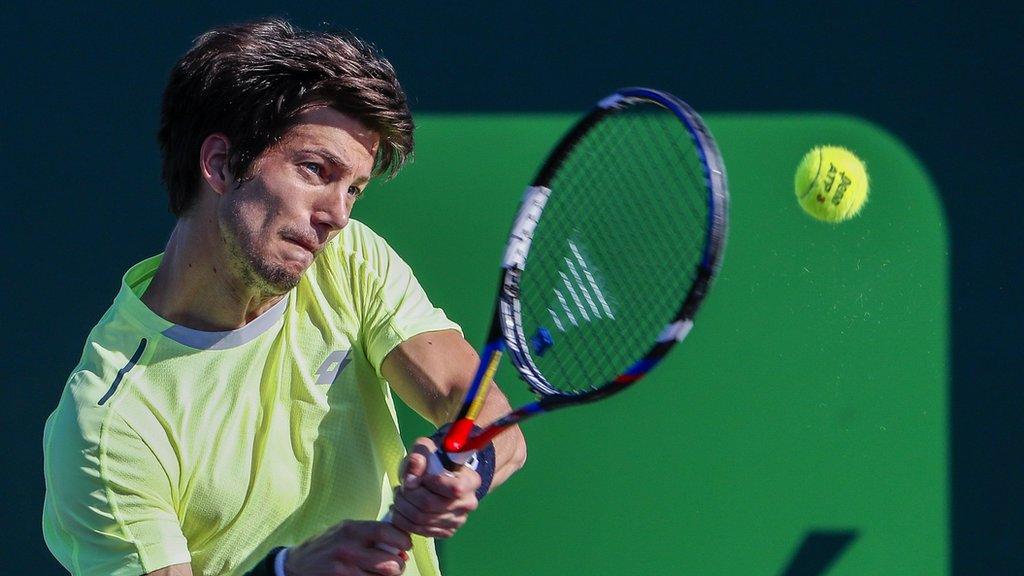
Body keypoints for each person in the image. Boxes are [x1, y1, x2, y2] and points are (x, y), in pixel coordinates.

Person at [42, 19, 526, 576]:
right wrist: (287, 572)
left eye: (353, 190)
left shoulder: (349, 259)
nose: (338, 216)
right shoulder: (108, 426)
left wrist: (467, 465)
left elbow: (479, 408)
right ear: (222, 164)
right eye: (316, 170)